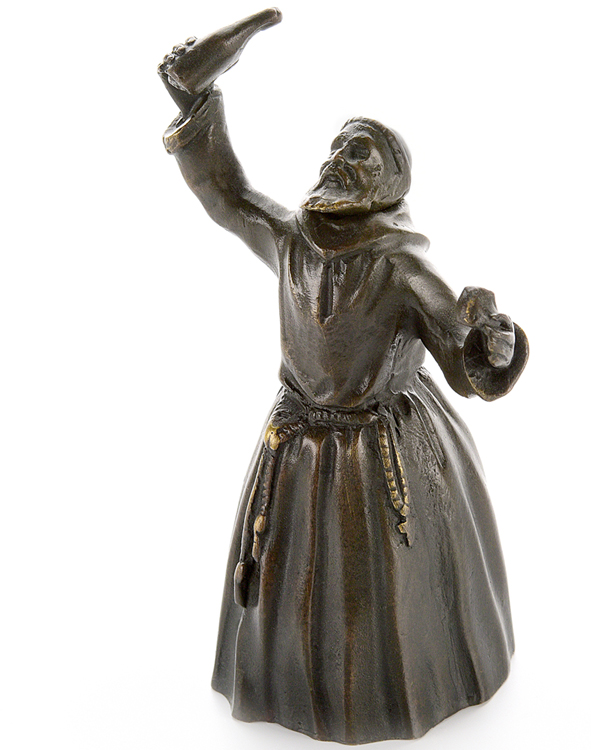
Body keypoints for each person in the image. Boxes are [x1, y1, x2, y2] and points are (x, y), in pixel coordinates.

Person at [159, 14, 529, 744]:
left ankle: (399, 690)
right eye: (335, 147)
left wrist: (490, 342)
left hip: (383, 453)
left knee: (389, 596)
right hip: (297, 443)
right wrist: (196, 102)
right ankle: (290, 686)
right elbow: (226, 193)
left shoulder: (402, 267)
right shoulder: (291, 239)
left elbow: (460, 348)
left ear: (389, 184)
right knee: (295, 584)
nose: (336, 159)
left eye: (358, 152)